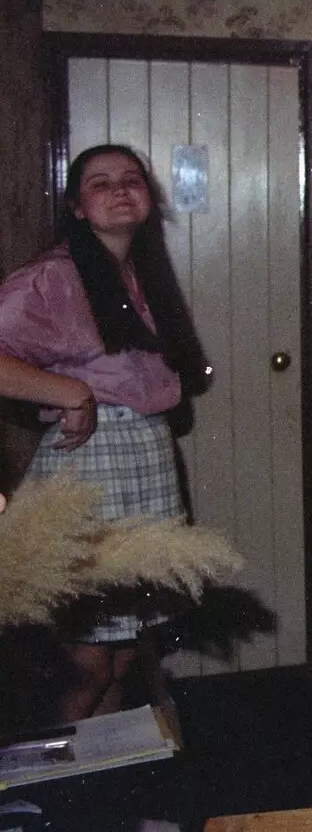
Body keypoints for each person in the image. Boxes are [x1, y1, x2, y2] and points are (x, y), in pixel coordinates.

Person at [0, 144, 205, 721]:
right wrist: (70, 392)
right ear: (78, 207)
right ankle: (52, 797)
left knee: (121, 660)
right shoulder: (51, 277)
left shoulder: (138, 272)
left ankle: (104, 795)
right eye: (100, 183)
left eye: (131, 179)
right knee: (87, 661)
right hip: (91, 466)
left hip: (143, 458)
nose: (119, 190)